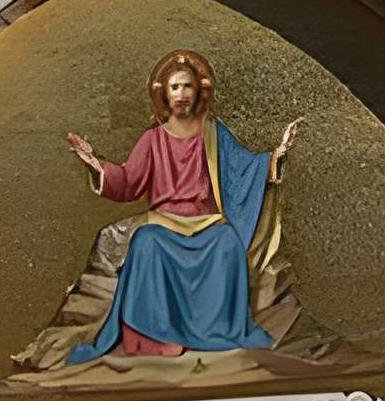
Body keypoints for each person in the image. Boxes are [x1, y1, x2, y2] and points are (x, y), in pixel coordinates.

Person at [64, 51, 302, 359]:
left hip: (206, 225)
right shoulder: (153, 139)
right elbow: (128, 180)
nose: (181, 93)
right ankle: (156, 339)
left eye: (187, 86)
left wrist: (277, 156)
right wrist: (97, 165)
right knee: (145, 243)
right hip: (165, 224)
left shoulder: (214, 133)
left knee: (228, 242)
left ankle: (218, 332)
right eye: (174, 87)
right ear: (163, 93)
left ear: (198, 91)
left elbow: (243, 169)